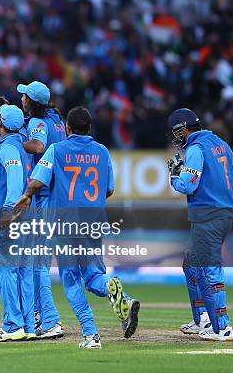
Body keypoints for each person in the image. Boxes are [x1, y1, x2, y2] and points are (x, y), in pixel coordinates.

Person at [15, 106, 140, 348]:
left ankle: (91, 334)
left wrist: (27, 195)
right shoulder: (102, 152)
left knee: (71, 279)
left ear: (67, 128)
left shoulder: (57, 149)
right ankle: (117, 292)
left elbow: (39, 181)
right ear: (90, 128)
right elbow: (109, 189)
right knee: (94, 276)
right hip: (93, 222)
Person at [167, 108, 233, 341]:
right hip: (223, 210)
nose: (176, 139)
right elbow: (231, 178)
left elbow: (188, 185)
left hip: (208, 214)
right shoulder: (222, 145)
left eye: (176, 134)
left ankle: (222, 327)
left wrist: (174, 177)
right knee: (191, 263)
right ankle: (204, 319)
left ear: (182, 129)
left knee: (207, 269)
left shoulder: (196, 148)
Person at [17, 81, 65, 339]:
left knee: (38, 264)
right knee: (39, 263)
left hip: (43, 196)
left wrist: (14, 141)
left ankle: (49, 321)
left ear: (30, 101)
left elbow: (37, 147)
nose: (21, 98)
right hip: (56, 195)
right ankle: (39, 314)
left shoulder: (38, 123)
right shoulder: (57, 119)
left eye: (23, 96)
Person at [0, 104, 35, 342]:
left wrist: (7, 212)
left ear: (2, 124)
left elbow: (15, 183)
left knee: (5, 270)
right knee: (23, 272)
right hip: (24, 217)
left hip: (12, 217)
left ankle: (13, 324)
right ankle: (26, 325)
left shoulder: (7, 148)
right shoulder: (19, 147)